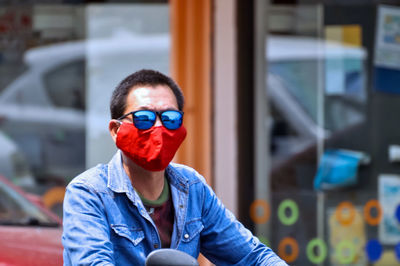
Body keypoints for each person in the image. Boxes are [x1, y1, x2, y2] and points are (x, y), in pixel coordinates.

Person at [62, 69, 287, 265]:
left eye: (170, 118)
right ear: (115, 130)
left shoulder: (191, 188)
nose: (159, 127)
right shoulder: (88, 193)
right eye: (144, 118)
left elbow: (252, 257)